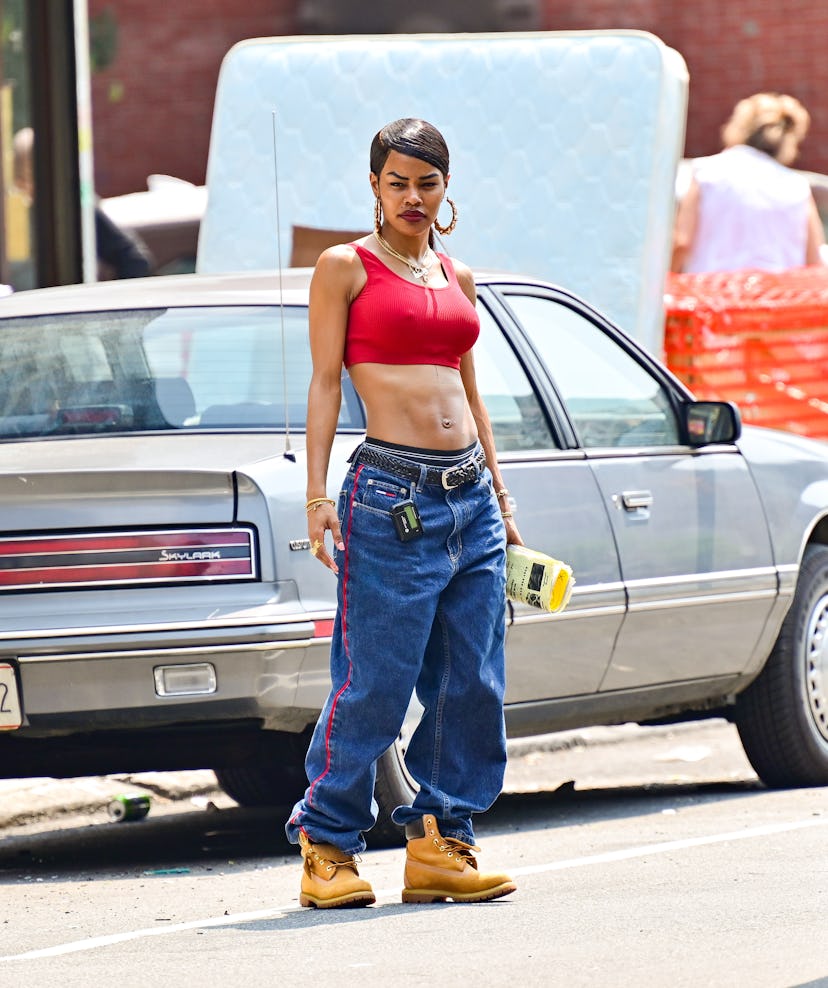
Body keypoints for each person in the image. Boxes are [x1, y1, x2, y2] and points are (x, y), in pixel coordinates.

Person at [285, 117, 522, 908]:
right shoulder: (343, 267)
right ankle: (327, 845)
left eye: (428, 183)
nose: (414, 197)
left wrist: (502, 492)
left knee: (473, 681)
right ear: (375, 186)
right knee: (374, 683)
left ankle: (439, 840)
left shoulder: (458, 276)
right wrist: (317, 495)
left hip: (470, 499)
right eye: (399, 182)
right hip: (391, 496)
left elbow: (472, 394)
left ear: (445, 187)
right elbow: (325, 384)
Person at [671, 93, 826, 273]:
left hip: (712, 294)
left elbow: (682, 242)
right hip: (776, 297)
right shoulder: (797, 187)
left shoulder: (706, 173)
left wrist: (665, 285)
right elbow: (814, 262)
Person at [10, 127, 154, 287]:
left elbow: (135, 260)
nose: (23, 188)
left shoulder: (73, 206)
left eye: (25, 177)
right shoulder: (46, 209)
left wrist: (111, 303)